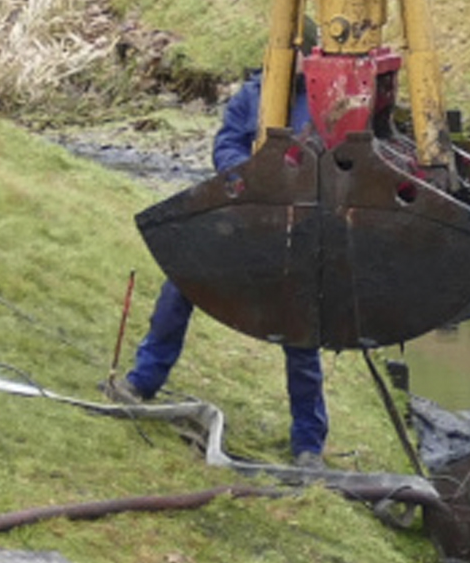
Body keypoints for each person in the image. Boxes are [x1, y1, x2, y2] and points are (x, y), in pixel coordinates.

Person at [116, 69, 326, 462]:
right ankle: (142, 382)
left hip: (298, 226)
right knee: (181, 283)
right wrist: (248, 173)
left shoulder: (325, 101)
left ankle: (309, 444)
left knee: (301, 328)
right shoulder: (252, 95)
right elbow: (227, 143)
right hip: (243, 215)